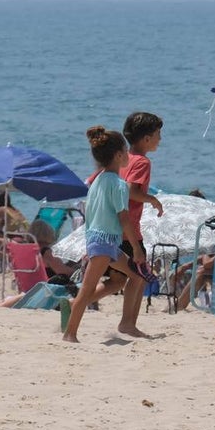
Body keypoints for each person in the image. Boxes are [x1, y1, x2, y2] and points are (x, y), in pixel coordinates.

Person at [60, 126, 146, 343]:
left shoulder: (97, 180)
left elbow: (90, 213)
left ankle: (126, 323)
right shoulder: (119, 185)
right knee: (87, 290)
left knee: (136, 276)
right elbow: (124, 219)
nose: (128, 155)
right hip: (104, 243)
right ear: (118, 155)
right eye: (126, 151)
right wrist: (136, 248)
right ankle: (70, 334)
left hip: (104, 242)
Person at [115, 111, 164, 338]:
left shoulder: (122, 159)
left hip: (113, 226)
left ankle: (76, 304)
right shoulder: (142, 162)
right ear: (146, 139)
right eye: (158, 134)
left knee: (115, 281)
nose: (160, 139)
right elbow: (131, 191)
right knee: (140, 276)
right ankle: (128, 324)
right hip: (129, 231)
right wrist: (152, 199)